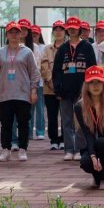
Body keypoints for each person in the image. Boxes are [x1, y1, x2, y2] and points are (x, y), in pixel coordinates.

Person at [0, 21, 40, 162]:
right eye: (11, 32)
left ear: (21, 34)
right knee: (6, 123)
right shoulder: (0, 53)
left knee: (23, 123)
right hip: (5, 94)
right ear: (6, 35)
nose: (14, 35)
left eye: (16, 32)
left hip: (23, 94)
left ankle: (23, 149)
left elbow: (34, 73)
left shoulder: (27, 52)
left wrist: (33, 91)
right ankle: (5, 150)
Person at [53, 16, 97, 161]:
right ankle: (69, 149)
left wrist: (91, 88)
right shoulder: (62, 49)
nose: (72, 30)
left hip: (83, 91)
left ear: (80, 29)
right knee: (66, 121)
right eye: (70, 28)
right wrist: (57, 89)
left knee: (81, 121)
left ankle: (80, 149)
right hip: (65, 91)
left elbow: (92, 68)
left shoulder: (87, 47)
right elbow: (56, 71)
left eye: (75, 28)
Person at [40, 20, 66, 150]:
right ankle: (54, 140)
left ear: (65, 32)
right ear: (53, 32)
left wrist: (62, 85)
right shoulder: (47, 49)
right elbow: (44, 67)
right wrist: (53, 84)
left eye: (61, 29)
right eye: (56, 29)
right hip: (49, 89)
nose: (58, 32)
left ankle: (64, 139)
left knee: (66, 115)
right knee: (52, 116)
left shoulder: (69, 48)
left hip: (66, 89)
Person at [30, 24, 46, 140]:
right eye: (32, 33)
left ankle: (40, 131)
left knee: (40, 108)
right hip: (28, 83)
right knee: (29, 109)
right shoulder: (27, 46)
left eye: (36, 33)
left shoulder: (44, 47)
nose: (34, 35)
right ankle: (29, 132)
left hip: (40, 83)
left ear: (40, 34)